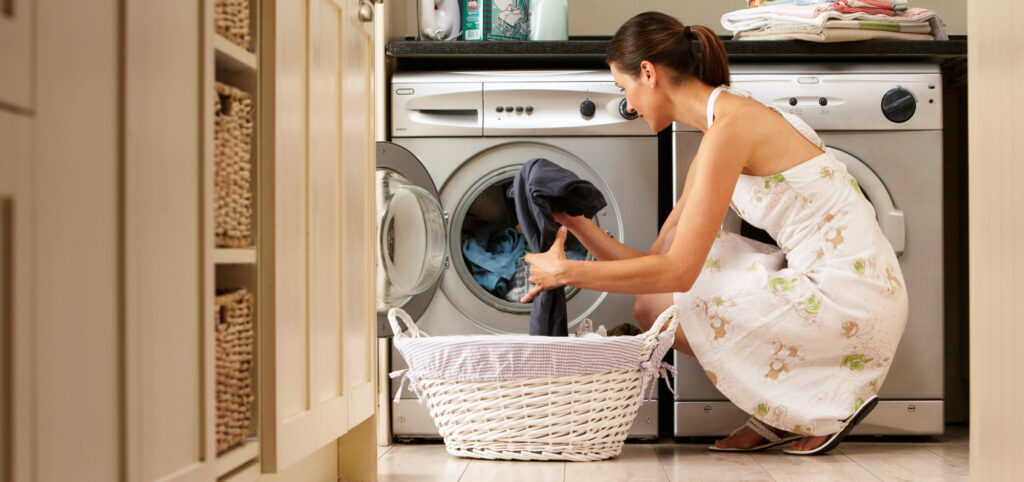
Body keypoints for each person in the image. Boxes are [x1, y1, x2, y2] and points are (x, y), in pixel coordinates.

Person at [520, 11, 908, 455]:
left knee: (660, 301)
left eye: (622, 88)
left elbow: (675, 275)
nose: (628, 104)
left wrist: (565, 274)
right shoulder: (719, 130)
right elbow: (656, 259)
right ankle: (788, 411)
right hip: (843, 284)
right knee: (660, 295)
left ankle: (816, 410)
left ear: (648, 73)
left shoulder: (731, 129)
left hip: (854, 298)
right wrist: (577, 225)